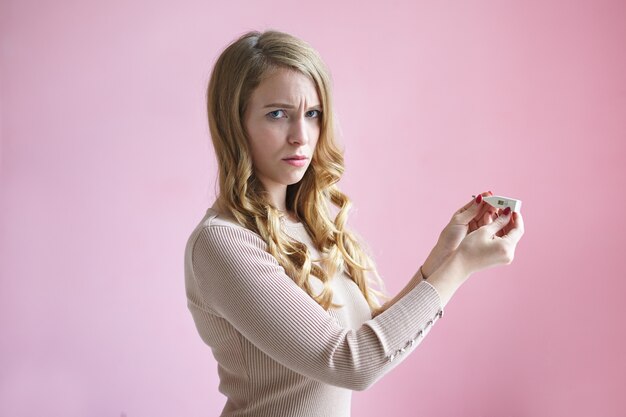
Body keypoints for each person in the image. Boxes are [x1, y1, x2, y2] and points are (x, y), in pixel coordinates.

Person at [184, 29, 525, 417]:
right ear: (234, 123)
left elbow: (367, 337)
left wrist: (446, 254)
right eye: (277, 114)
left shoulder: (307, 225)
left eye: (312, 115)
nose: (301, 137)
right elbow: (352, 363)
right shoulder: (222, 243)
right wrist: (461, 266)